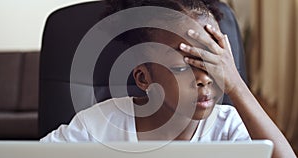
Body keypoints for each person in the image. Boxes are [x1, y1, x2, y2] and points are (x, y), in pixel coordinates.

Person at [40, 0, 296, 157]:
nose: (204, 79)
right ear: (143, 78)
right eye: (183, 68)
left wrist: (236, 85)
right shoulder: (97, 126)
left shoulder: (227, 127)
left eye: (214, 64)